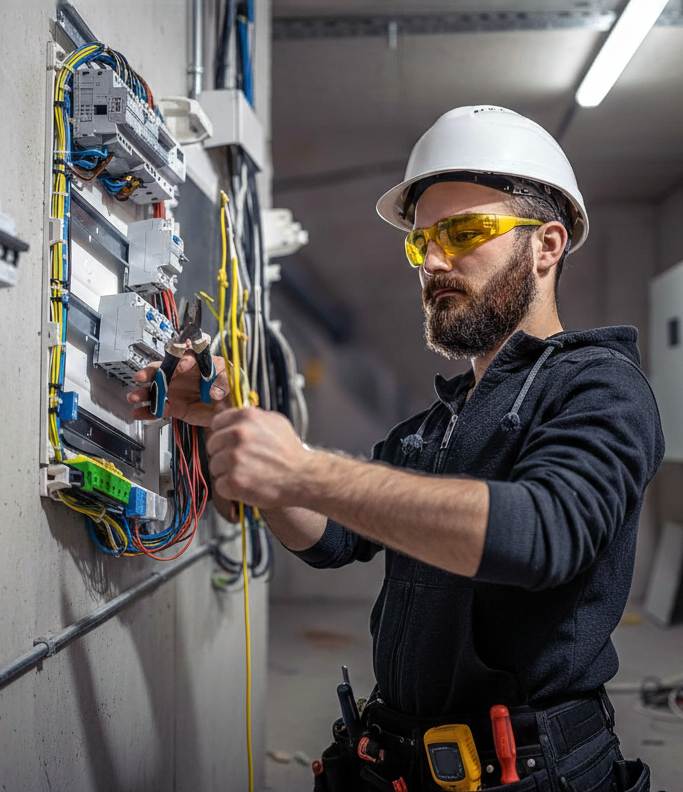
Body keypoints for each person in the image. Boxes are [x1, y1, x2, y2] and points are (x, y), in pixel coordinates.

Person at [128, 106, 664, 791]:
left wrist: (307, 470)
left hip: (529, 773)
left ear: (546, 245)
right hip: (395, 760)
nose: (433, 260)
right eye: (421, 242)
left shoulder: (600, 386)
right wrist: (228, 421)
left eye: (466, 232)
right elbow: (327, 539)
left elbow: (542, 534)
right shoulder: (434, 426)